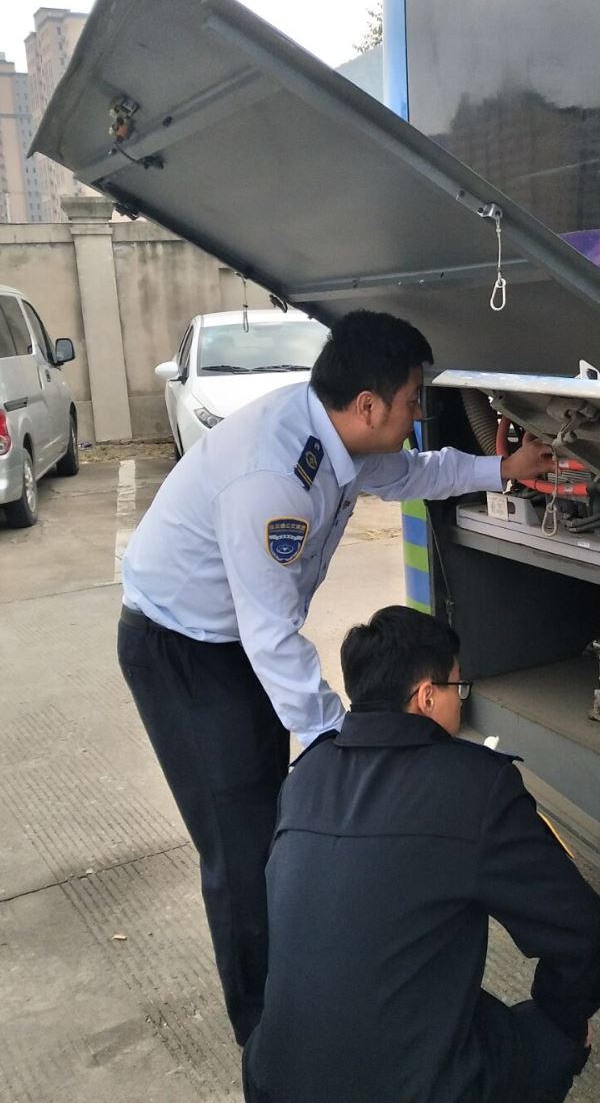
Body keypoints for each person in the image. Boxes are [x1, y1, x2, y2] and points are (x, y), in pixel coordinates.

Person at [116, 310, 554, 1048]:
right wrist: (340, 740)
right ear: (370, 405)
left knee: (277, 821)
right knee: (240, 847)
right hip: (182, 651)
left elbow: (413, 472)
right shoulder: (273, 477)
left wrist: (502, 470)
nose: (418, 413)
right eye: (413, 400)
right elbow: (270, 636)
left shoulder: (334, 434)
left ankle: (295, 985)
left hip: (232, 641)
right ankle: (265, 1038)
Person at [245, 606, 600, 1103]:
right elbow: (579, 927)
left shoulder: (304, 778)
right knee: (552, 1035)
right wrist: (563, 1019)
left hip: (274, 1079)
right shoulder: (476, 786)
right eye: (458, 689)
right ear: (426, 696)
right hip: (415, 1090)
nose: (460, 702)